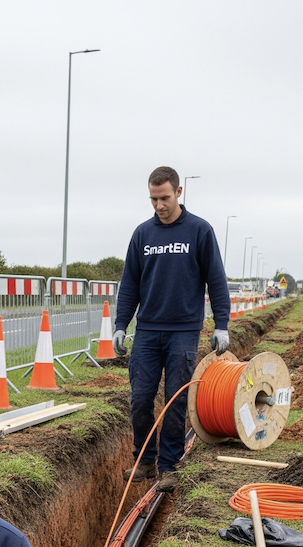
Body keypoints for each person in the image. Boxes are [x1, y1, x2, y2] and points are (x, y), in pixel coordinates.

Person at [113, 166, 231, 492]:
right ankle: (145, 461)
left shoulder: (199, 231)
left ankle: (169, 466)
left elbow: (216, 281)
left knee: (175, 401)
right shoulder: (142, 235)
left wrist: (222, 325)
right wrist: (121, 325)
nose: (159, 205)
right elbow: (130, 285)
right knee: (140, 399)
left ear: (179, 192)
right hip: (148, 330)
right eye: (153, 199)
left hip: (183, 330)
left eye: (164, 198)